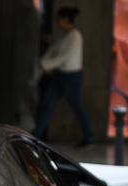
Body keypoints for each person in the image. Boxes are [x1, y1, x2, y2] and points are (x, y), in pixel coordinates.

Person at [33, 7, 95, 147]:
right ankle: (35, 136)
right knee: (47, 105)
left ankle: (89, 136)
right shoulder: (65, 35)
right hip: (60, 75)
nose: (57, 22)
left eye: (58, 18)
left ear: (66, 19)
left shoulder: (75, 36)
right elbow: (57, 51)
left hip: (71, 77)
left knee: (76, 106)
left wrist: (45, 65)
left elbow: (63, 56)